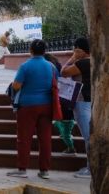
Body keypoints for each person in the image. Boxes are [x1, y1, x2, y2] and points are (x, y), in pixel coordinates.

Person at [7, 39, 54, 179]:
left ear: (30, 50)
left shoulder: (25, 66)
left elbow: (16, 86)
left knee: (24, 138)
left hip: (27, 106)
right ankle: (44, 170)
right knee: (45, 139)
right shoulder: (51, 66)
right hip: (47, 105)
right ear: (45, 51)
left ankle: (22, 169)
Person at [61, 37, 92, 179]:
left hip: (82, 102)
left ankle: (91, 169)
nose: (75, 53)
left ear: (83, 51)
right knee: (89, 135)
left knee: (88, 136)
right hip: (90, 101)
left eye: (77, 50)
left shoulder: (83, 63)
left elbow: (64, 72)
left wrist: (72, 58)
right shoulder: (92, 61)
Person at [44, 53, 76, 155]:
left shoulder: (48, 67)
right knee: (60, 122)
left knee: (63, 124)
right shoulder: (57, 66)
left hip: (58, 97)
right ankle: (66, 133)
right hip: (63, 97)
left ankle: (70, 146)